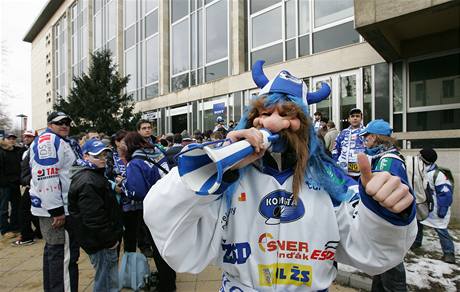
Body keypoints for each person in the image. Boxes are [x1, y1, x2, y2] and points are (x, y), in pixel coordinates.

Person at [143, 61, 416, 291]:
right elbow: (167, 226)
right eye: (265, 113)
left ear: (306, 124)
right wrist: (223, 166)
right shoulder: (227, 176)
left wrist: (386, 214)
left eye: (288, 114)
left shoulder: (330, 180)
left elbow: (375, 254)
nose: (273, 122)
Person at [29, 111, 79, 292]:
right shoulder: (50, 141)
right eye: (60, 122)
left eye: (67, 122)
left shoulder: (54, 140)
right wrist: (56, 210)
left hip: (52, 208)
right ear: (50, 124)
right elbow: (46, 176)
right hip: (57, 210)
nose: (65, 125)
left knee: (54, 255)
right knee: (62, 258)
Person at [359, 119, 409, 292]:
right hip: (384, 229)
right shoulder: (384, 157)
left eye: (366, 137)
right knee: (381, 274)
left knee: (393, 280)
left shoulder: (387, 161)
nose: (365, 141)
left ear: (374, 137)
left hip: (388, 229)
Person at [122, 132, 176, 292]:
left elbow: (137, 192)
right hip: (168, 204)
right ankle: (170, 279)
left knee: (158, 248)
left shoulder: (135, 163)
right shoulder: (158, 153)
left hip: (152, 209)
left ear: (130, 145)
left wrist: (124, 186)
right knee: (166, 246)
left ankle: (166, 285)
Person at [68, 139, 123, 292]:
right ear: (86, 156)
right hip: (100, 242)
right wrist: (110, 240)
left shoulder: (93, 175)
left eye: (104, 155)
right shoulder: (88, 181)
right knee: (105, 280)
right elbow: (94, 218)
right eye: (97, 156)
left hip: (98, 239)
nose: (103, 159)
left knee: (108, 278)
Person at [411, 148, 455, 264]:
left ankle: (449, 253)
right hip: (424, 207)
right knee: (418, 225)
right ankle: (416, 243)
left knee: (441, 231)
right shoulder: (421, 171)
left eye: (419, 156)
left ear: (424, 160)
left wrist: (443, 209)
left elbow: (445, 194)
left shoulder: (438, 175)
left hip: (437, 209)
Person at [13, 130, 42, 246]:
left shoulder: (34, 150)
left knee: (24, 210)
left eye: (30, 136)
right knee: (33, 209)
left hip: (33, 185)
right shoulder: (25, 151)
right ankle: (38, 232)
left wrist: (28, 180)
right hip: (33, 184)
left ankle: (26, 236)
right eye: (25, 136)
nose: (27, 138)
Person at [332, 108, 365, 179]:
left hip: (360, 172)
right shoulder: (343, 133)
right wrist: (336, 163)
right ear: (349, 119)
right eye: (352, 116)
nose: (355, 118)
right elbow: (335, 149)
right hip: (343, 170)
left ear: (361, 118)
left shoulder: (365, 132)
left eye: (357, 116)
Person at [0, 133, 22, 238]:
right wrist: (4, 182)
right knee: (3, 208)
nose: (12, 140)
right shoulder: (1, 151)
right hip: (4, 184)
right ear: (4, 139)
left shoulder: (16, 151)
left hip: (15, 183)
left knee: (16, 206)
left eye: (13, 138)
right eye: (9, 138)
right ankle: (4, 229)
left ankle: (15, 226)